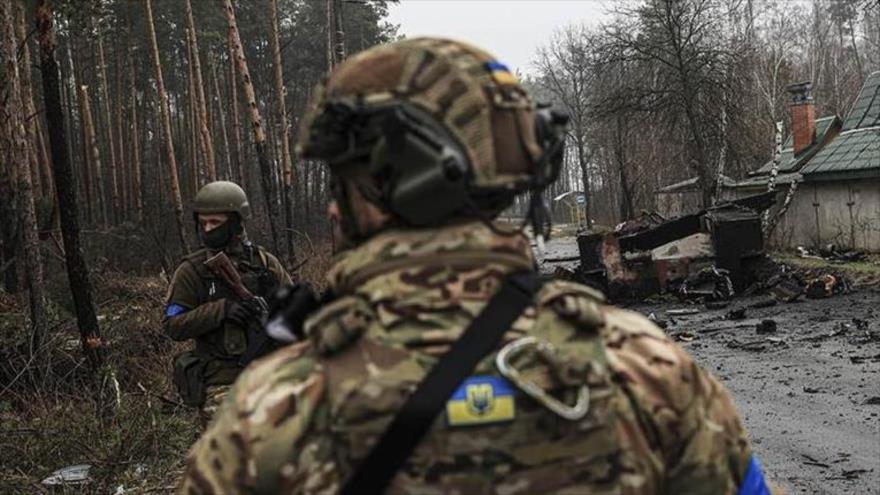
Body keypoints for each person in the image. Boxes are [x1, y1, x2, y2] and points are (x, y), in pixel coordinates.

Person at [180, 38, 773, 494]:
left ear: (398, 182)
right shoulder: (649, 372)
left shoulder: (273, 409)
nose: (334, 204)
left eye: (345, 181)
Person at [164, 180, 291, 423]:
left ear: (235, 223)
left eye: (216, 223)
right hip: (221, 381)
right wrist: (221, 310)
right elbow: (173, 324)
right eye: (203, 223)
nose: (208, 229)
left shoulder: (264, 263)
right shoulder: (193, 270)